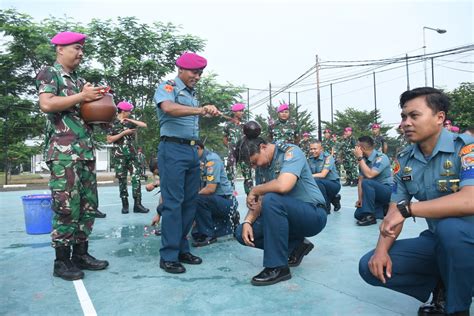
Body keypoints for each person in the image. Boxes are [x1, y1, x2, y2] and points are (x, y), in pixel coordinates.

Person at [359, 87, 474, 316]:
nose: (406, 123)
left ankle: (457, 308)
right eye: (403, 116)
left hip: (465, 236)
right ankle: (441, 286)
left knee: (450, 229)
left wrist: (409, 209)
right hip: (440, 239)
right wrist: (381, 251)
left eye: (414, 115)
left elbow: (470, 200)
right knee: (369, 266)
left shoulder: (466, 148)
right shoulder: (404, 160)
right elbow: (394, 212)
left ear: (440, 117)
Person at [36, 31, 109, 281]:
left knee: (88, 206)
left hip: (85, 151)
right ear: (60, 49)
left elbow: (87, 114)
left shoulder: (79, 80)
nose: (80, 53)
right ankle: (62, 261)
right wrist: (82, 97)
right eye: (76, 48)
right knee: (66, 206)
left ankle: (80, 253)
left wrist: (99, 103)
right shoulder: (50, 73)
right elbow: (47, 104)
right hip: (63, 152)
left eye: (81, 49)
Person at [234, 122, 327, 286]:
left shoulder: (291, 152)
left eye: (254, 162)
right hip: (286, 216)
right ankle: (297, 245)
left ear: (263, 147)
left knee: (272, 199)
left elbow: (283, 185)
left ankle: (277, 267)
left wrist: (256, 189)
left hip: (312, 215)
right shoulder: (263, 166)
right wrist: (248, 221)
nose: (255, 167)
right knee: (242, 232)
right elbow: (261, 199)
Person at [153, 52, 220, 274]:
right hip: (172, 149)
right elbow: (169, 109)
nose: (198, 77)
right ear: (181, 69)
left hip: (192, 151)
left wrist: (206, 109)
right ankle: (169, 255)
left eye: (200, 73)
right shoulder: (169, 86)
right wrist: (201, 109)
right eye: (194, 72)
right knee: (173, 203)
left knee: (190, 202)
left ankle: (182, 248)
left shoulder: (191, 94)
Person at [192, 141, 240, 247]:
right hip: (213, 201)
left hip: (225, 200)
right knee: (195, 234)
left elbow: (210, 189)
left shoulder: (211, 160)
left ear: (197, 148)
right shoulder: (198, 161)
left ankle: (208, 235)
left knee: (196, 199)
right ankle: (226, 222)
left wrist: (191, 199)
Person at [107, 101, 149, 214]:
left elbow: (144, 125)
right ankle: (125, 205)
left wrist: (130, 120)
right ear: (123, 111)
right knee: (122, 180)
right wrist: (124, 133)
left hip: (132, 155)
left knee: (136, 178)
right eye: (129, 111)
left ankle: (138, 204)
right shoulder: (112, 123)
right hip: (119, 156)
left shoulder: (129, 122)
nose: (130, 113)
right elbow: (109, 139)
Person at [353, 136, 393, 226]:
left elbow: (370, 175)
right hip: (374, 194)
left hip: (387, 191)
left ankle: (370, 217)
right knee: (358, 214)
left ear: (361, 148)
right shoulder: (363, 161)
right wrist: (360, 199)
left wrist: (359, 158)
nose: (355, 149)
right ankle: (383, 209)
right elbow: (360, 180)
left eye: (357, 147)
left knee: (367, 182)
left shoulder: (381, 157)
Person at [223, 103, 253, 194]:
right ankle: (230, 196)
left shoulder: (246, 124)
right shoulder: (228, 125)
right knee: (230, 176)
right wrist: (231, 148)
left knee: (248, 176)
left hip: (244, 153)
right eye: (239, 111)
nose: (241, 112)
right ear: (234, 112)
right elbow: (224, 139)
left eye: (242, 111)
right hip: (233, 153)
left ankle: (250, 196)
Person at [308, 140, 341, 214]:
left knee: (317, 182)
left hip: (333, 184)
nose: (313, 151)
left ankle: (326, 208)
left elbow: (323, 175)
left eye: (315, 149)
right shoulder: (310, 159)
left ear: (321, 149)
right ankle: (334, 198)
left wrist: (309, 176)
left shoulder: (328, 158)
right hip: (321, 185)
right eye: (311, 149)